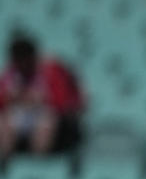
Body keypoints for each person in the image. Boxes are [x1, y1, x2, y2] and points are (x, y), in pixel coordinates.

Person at [0, 32, 84, 162]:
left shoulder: (50, 71)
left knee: (45, 122)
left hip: (44, 116)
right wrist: (12, 99)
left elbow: (62, 103)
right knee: (3, 123)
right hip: (17, 116)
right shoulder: (10, 74)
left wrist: (39, 100)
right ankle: (5, 164)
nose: (22, 65)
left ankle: (38, 168)